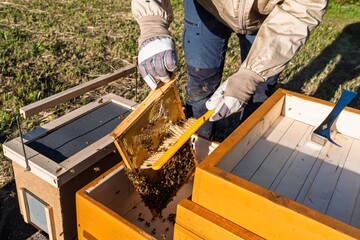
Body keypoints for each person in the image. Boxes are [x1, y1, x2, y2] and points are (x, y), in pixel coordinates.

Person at [132, 0, 328, 141]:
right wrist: (151, 21)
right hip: (205, 7)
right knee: (201, 82)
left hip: (271, 17)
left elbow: (304, 7)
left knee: (259, 90)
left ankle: (246, 150)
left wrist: (251, 74)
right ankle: (199, 145)